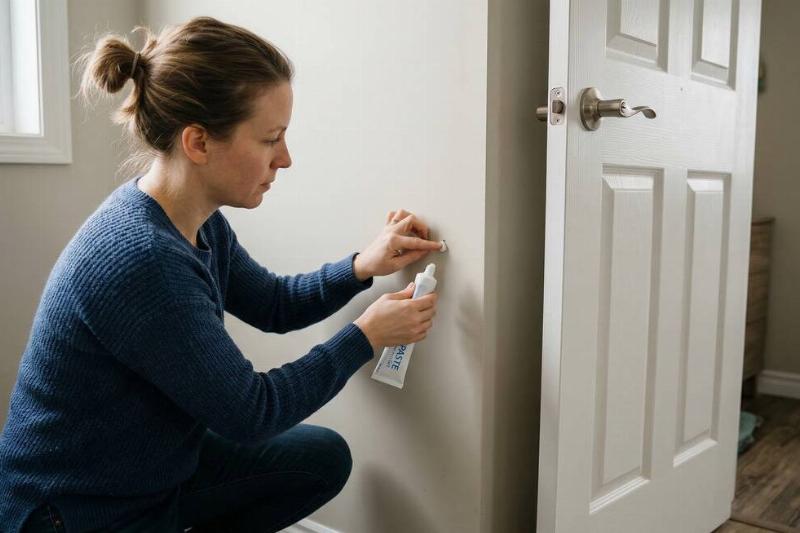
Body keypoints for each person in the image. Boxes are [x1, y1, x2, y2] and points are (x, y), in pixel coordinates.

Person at [0, 16, 441, 533]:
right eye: (270, 139)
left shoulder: (197, 221)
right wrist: (365, 337)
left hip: (152, 470)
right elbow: (251, 413)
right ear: (198, 143)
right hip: (73, 510)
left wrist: (360, 266)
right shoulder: (144, 261)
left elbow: (274, 304)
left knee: (319, 458)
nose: (286, 158)